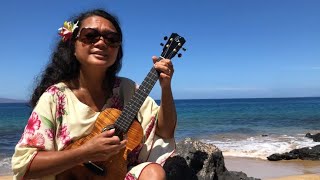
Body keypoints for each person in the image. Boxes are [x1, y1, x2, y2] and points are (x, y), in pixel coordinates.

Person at [12, 8, 177, 180]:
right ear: (73, 46)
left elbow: (165, 132)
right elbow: (24, 166)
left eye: (111, 39)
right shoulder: (56, 97)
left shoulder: (127, 89)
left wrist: (166, 87)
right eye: (90, 36)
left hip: (115, 175)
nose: (101, 43)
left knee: (154, 173)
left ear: (117, 50)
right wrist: (85, 152)